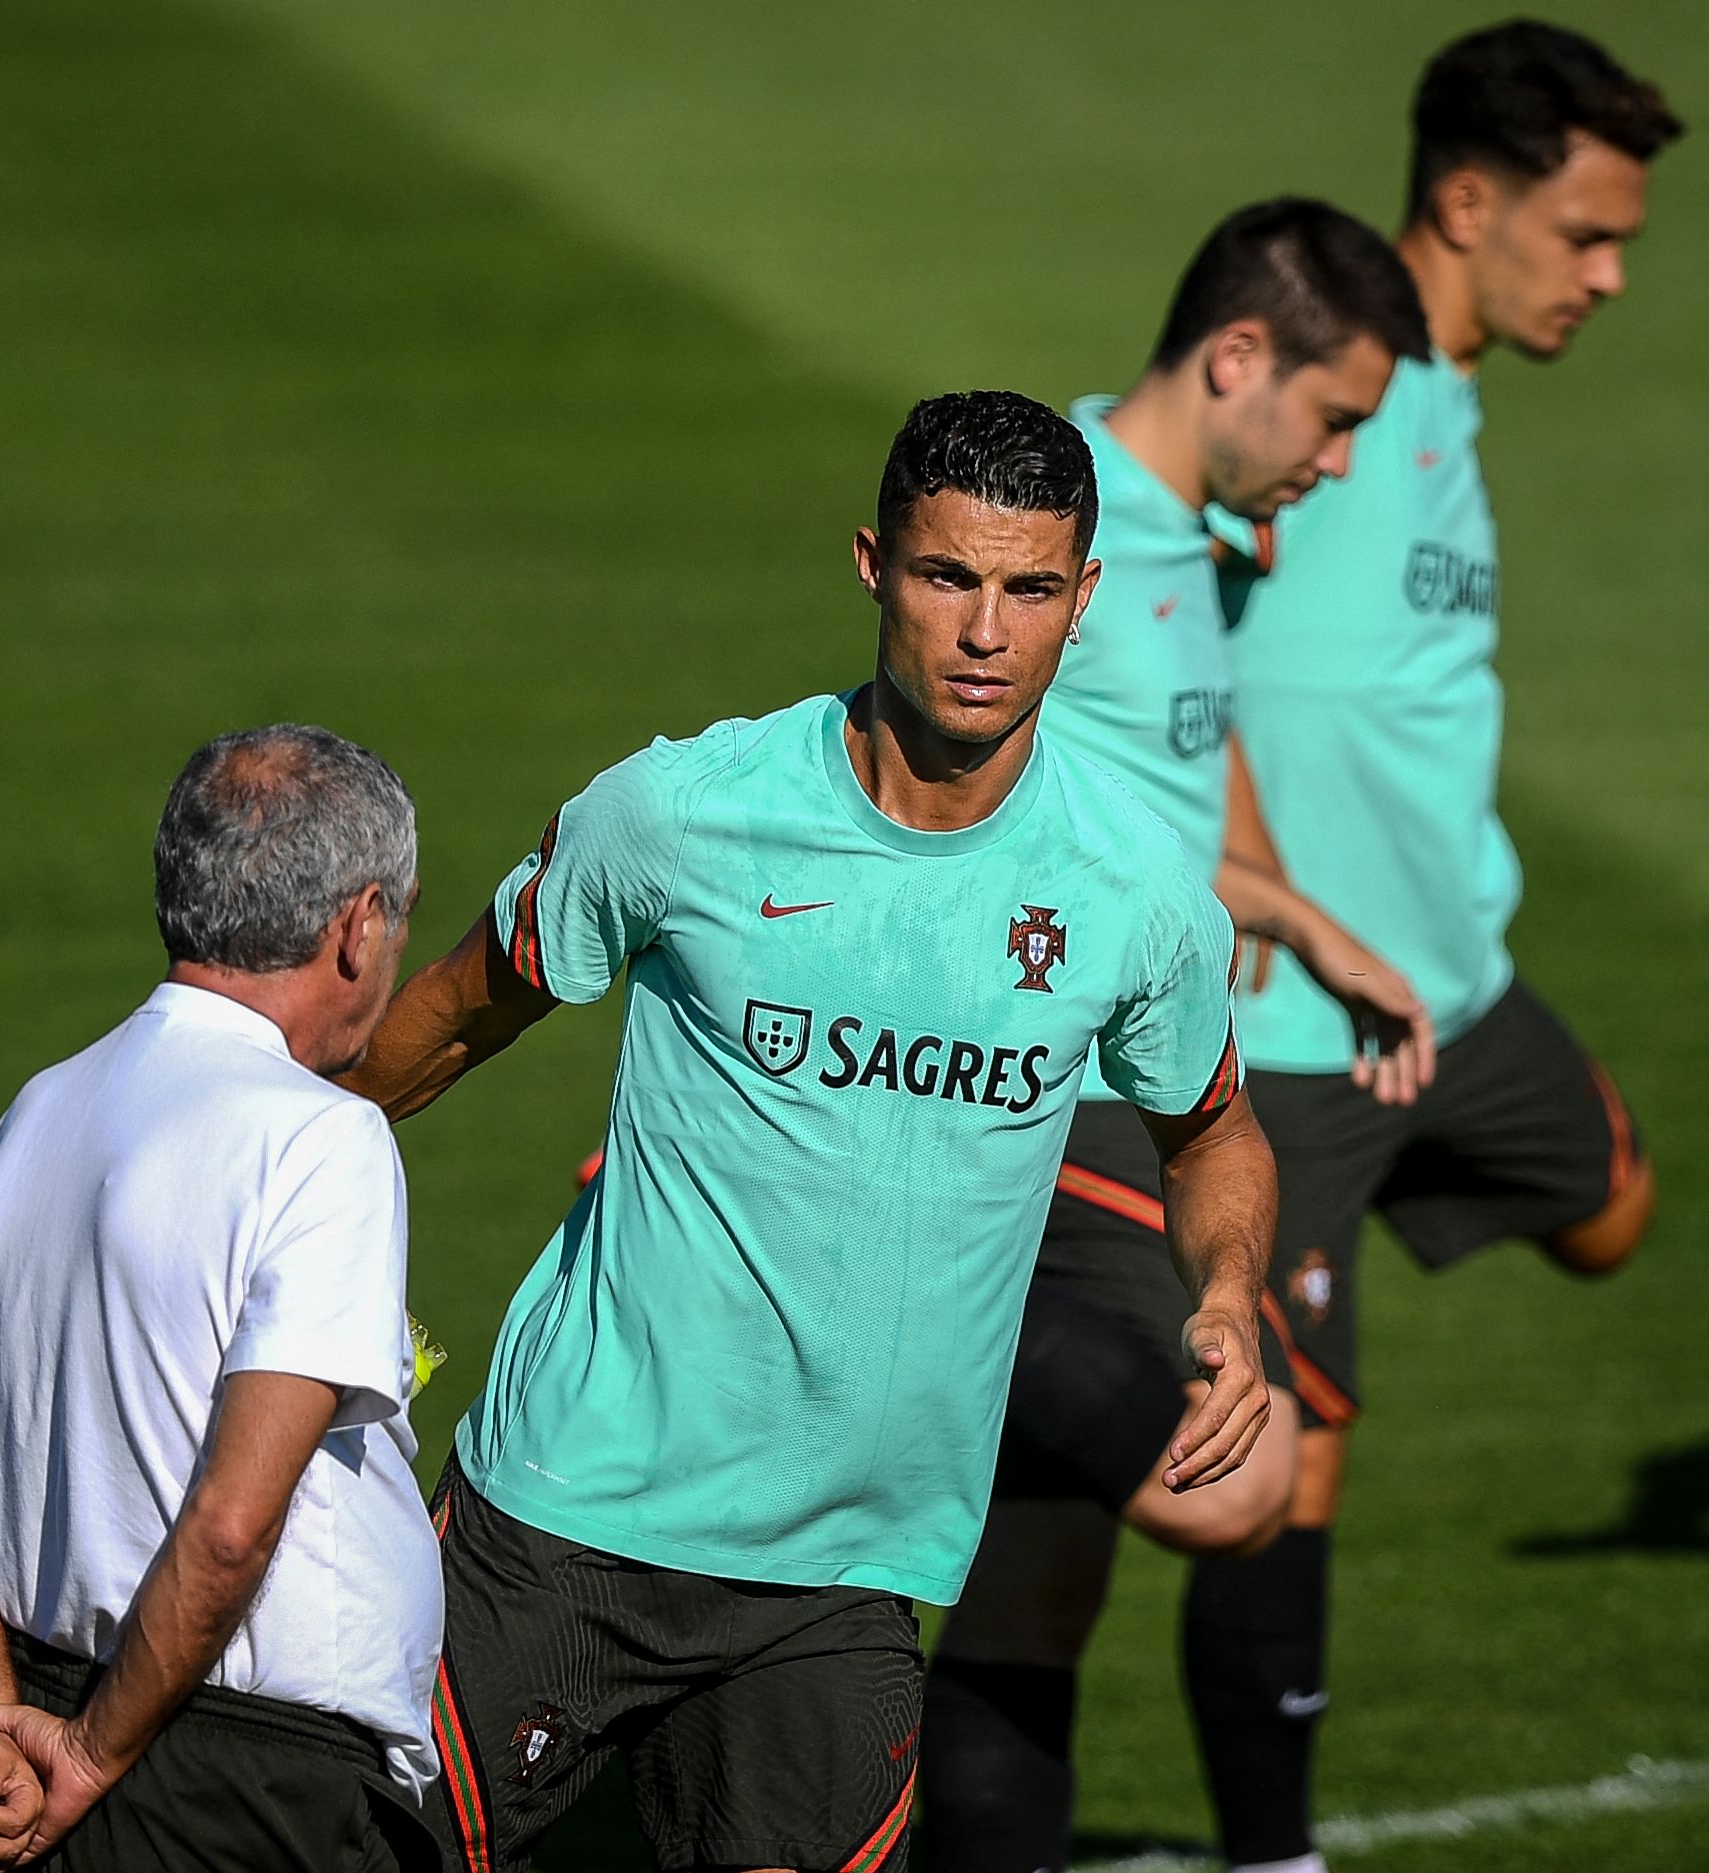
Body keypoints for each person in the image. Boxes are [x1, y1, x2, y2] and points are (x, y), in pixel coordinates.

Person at [339, 389, 1278, 1873]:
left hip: (846, 1569)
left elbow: (1212, 1130)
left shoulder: (1132, 893)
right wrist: (244, 1181)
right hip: (573, 1517)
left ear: (1083, 598)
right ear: (871, 565)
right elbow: (451, 1016)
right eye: (945, 576)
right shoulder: (678, 815)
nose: (985, 631)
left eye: (1029, 588)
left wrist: (1224, 1290)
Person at [1187, 27, 1680, 1873]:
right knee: (1281, 1468)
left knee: (1618, 1202)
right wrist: (1245, 862)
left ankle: (1413, 1176)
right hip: (1306, 1031)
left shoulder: (1448, 402)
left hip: (1455, 994)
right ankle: (1272, 1854)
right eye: (1590, 234)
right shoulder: (1335, 399)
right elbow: (1147, 554)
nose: (1614, 276)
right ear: (1470, 203)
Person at [916, 200, 1440, 1873]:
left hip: (1121, 1089)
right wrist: (1285, 916)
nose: (1346, 463)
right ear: (1237, 359)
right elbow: (979, 794)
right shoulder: (1070, 534)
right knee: (1241, 1474)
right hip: (1034, 1098)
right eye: (1337, 417)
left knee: (1037, 1582)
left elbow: (1159, 790)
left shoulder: (1171, 524)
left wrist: (1279, 914)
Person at [0, 724, 445, 1871]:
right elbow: (233, 1526)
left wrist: (1, 1736)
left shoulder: (32, 1115)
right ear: (355, 927)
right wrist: (87, 1755)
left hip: (52, 1736)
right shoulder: (319, 1138)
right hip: (240, 1785)